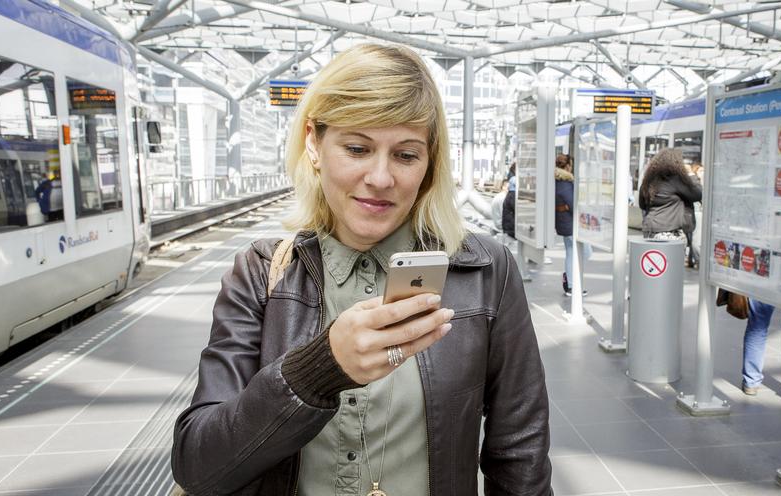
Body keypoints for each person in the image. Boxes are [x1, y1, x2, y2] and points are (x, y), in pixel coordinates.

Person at [171, 44, 552, 496]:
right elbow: (197, 462)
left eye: (406, 155)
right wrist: (318, 370)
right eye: (357, 147)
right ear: (314, 143)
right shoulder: (261, 274)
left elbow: (519, 452)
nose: (380, 178)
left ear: (429, 165)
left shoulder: (485, 272)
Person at [638, 148, 702, 247]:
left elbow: (642, 205)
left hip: (649, 229)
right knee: (672, 261)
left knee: (655, 260)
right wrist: (691, 174)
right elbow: (698, 194)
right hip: (669, 231)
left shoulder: (648, 180)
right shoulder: (675, 180)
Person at [554, 153, 589, 296]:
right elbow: (573, 204)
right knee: (584, 252)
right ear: (568, 166)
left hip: (563, 222)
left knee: (571, 252)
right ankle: (571, 283)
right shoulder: (565, 183)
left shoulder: (557, 181)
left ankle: (570, 280)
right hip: (570, 223)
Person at [502, 164, 517, 240]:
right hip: (511, 229)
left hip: (507, 227)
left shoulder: (509, 195)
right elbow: (517, 210)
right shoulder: (513, 196)